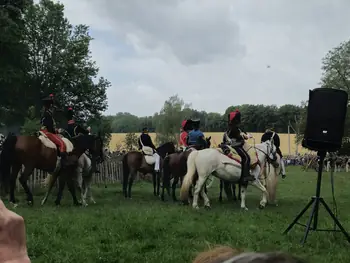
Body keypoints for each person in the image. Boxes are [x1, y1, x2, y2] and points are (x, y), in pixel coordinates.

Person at [222, 110, 255, 183]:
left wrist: (244, 135)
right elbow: (239, 138)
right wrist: (248, 136)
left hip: (230, 145)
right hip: (236, 146)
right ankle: (245, 176)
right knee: (246, 158)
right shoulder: (235, 128)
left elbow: (239, 135)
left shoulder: (231, 127)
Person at [40, 94, 69, 167]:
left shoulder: (45, 113)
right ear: (49, 106)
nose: (53, 109)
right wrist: (56, 131)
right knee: (62, 144)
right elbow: (49, 125)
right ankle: (63, 163)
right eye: (52, 106)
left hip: (42, 130)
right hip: (48, 132)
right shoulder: (47, 114)